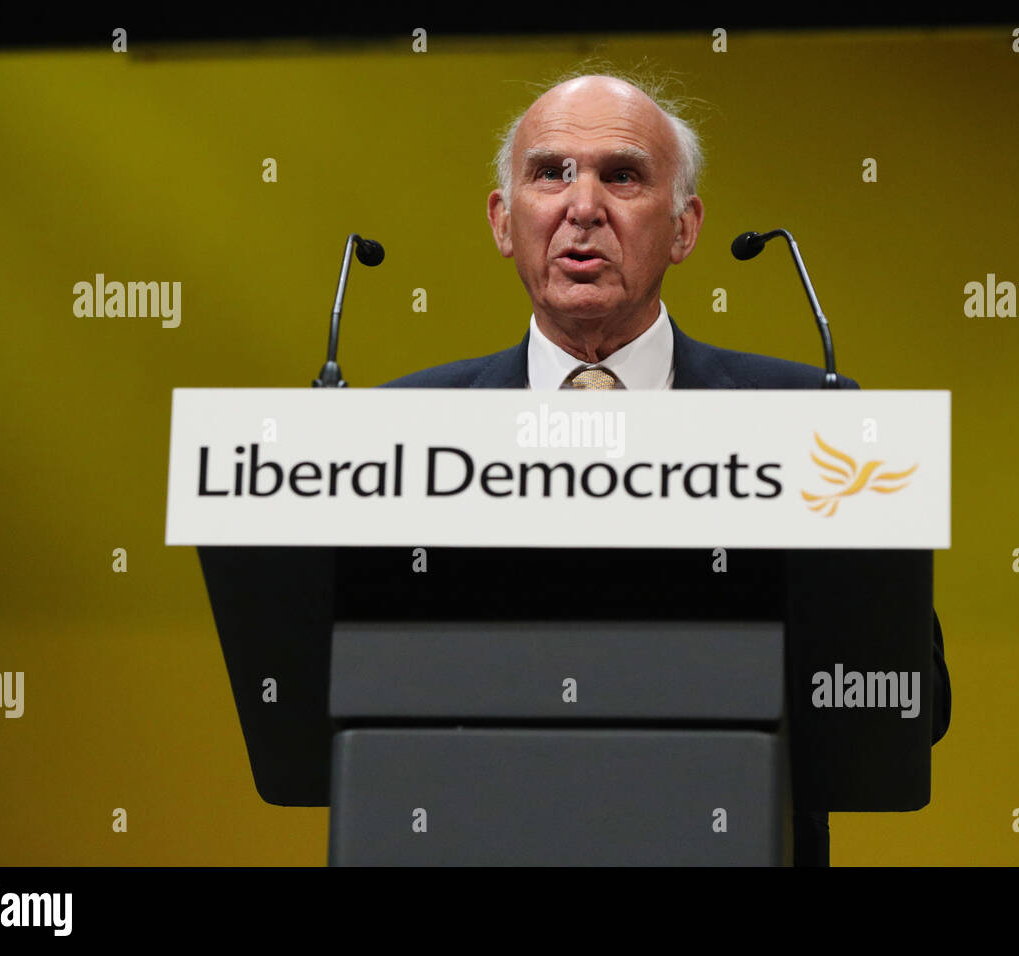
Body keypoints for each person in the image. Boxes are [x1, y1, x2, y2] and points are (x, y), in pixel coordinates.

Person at [383, 72, 950, 864]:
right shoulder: (398, 431)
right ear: (503, 220)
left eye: (622, 176)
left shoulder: (813, 421)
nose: (584, 208)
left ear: (684, 229)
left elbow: (909, 700)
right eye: (551, 173)